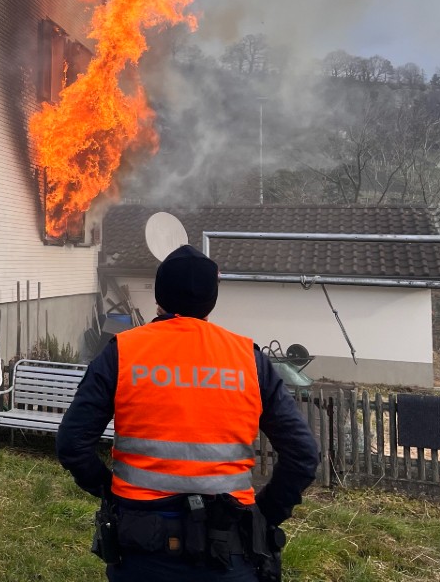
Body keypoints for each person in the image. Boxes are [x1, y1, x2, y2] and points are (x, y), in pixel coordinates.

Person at [57, 245, 319, 581]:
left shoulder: (122, 352)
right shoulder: (248, 359)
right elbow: (303, 455)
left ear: (158, 297)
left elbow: (71, 443)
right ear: (211, 301)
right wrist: (262, 515)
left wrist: (111, 492)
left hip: (142, 549)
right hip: (229, 550)